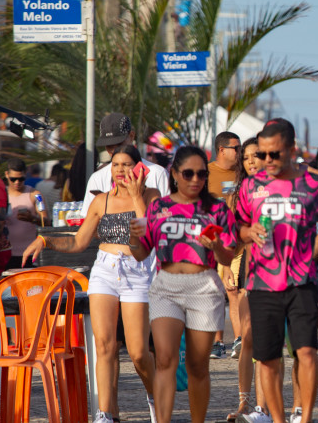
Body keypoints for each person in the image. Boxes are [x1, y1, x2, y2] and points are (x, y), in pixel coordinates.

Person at [23, 145, 161, 423]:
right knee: (105, 346)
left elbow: (150, 233)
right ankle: (105, 413)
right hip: (105, 271)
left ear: (140, 169)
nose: (120, 170)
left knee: (138, 352)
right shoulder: (101, 201)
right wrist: (45, 240)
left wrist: (136, 196)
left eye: (126, 164)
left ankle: (156, 396)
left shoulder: (153, 196)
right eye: (116, 164)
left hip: (137, 272)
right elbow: (78, 241)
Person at [233, 118, 318, 423]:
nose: (268, 161)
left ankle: (306, 417)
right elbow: (237, 230)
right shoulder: (250, 186)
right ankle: (278, 419)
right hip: (261, 283)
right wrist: (248, 233)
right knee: (269, 358)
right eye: (263, 154)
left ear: (292, 149)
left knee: (307, 352)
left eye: (275, 154)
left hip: (301, 281)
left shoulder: (314, 185)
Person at [129, 146, 237, 423]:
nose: (195, 179)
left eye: (202, 174)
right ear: (174, 173)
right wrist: (132, 237)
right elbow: (142, 252)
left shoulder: (217, 209)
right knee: (165, 360)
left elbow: (230, 253)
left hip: (204, 286)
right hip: (166, 286)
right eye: (188, 173)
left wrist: (216, 247)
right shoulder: (159, 206)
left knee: (198, 366)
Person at [226, 137, 262, 420]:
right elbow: (231, 236)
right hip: (248, 268)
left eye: (256, 155)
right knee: (247, 338)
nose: (250, 161)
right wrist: (227, 266)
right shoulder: (237, 193)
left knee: (269, 342)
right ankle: (244, 402)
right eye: (246, 157)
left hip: (280, 272)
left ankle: (265, 405)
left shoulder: (281, 190)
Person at [81, 112, 171, 219]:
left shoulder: (157, 174)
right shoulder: (97, 178)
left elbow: (166, 217)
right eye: (109, 146)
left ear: (131, 136)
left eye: (119, 144)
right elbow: (87, 220)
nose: (115, 151)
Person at [207, 131, 241, 360]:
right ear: (222, 150)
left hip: (238, 244)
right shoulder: (207, 173)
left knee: (235, 290)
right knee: (214, 293)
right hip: (212, 243)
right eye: (236, 148)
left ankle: (239, 339)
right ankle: (217, 342)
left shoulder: (243, 174)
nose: (239, 153)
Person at [3, 158, 44, 270]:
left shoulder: (36, 194)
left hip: (29, 253)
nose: (17, 182)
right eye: (13, 179)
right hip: (6, 254)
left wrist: (32, 219)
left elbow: (47, 221)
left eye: (21, 179)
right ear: (6, 174)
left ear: (26, 174)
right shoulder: (1, 194)